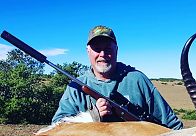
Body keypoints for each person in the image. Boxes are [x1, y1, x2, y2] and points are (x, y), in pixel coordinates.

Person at [52, 25, 183, 130]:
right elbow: (57, 126)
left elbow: (172, 124)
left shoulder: (137, 79)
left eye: (108, 49)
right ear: (88, 51)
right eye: (97, 49)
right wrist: (92, 116)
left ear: (116, 50)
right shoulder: (76, 86)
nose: (102, 54)